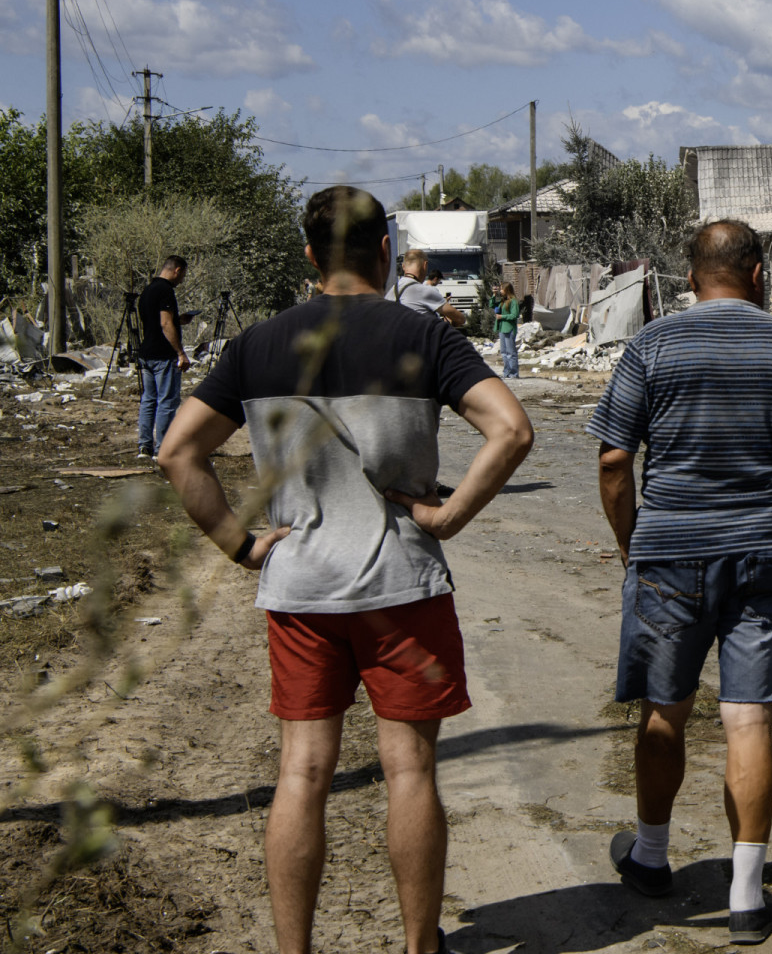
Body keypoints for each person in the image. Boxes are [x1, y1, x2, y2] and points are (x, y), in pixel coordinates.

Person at [156, 185, 534, 954]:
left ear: (308, 256)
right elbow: (512, 430)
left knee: (301, 774)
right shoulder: (424, 336)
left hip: (301, 591)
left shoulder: (257, 345)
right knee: (410, 775)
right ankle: (419, 946)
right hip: (406, 589)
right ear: (386, 251)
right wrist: (448, 516)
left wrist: (243, 545)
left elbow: (178, 453)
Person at [589, 220, 772, 946]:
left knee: (665, 711)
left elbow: (613, 460)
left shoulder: (653, 344)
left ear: (691, 274)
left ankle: (651, 856)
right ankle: (746, 896)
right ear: (758, 272)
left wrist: (633, 544)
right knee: (747, 716)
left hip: (670, 550)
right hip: (764, 550)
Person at [136, 255, 190, 460]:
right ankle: (163, 449)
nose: (182, 280)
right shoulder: (166, 291)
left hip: (146, 353)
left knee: (148, 400)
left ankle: (145, 447)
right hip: (163, 355)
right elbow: (165, 324)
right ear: (177, 270)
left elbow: (155, 320)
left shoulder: (148, 290)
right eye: (183, 275)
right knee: (167, 401)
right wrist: (180, 353)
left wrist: (179, 320)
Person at [395, 249, 467, 328]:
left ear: (403, 266)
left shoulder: (391, 293)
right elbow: (460, 318)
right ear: (425, 265)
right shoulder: (425, 291)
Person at [493, 282, 521, 379]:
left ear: (507, 290)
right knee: (504, 352)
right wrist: (494, 295)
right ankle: (506, 372)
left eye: (502, 289)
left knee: (511, 352)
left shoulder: (513, 301)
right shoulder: (503, 301)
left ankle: (514, 373)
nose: (500, 291)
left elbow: (514, 315)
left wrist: (502, 316)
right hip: (502, 328)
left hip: (509, 328)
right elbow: (492, 304)